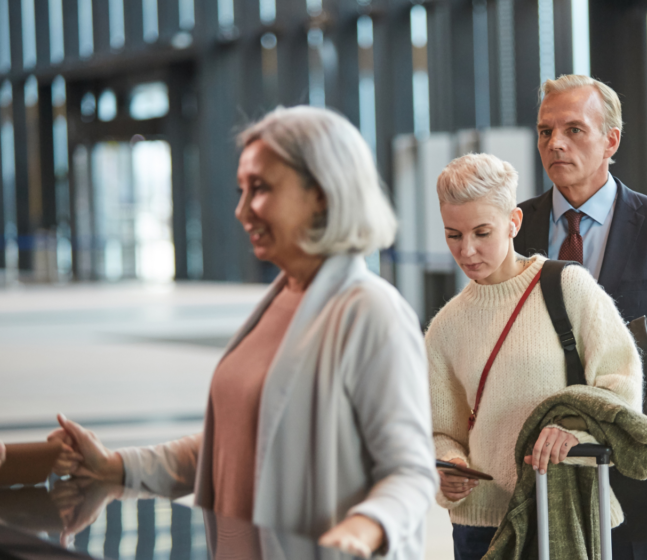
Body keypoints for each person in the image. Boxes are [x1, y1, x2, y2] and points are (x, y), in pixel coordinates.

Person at [47, 106, 437, 559]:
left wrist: (363, 528)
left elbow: (410, 472)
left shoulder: (371, 311)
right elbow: (229, 447)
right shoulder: (279, 298)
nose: (241, 210)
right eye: (241, 189)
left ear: (323, 194)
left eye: (261, 188)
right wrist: (115, 466)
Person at [514, 74, 647, 559]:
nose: (555, 143)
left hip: (632, 470)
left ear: (612, 140)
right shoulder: (514, 230)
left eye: (573, 130)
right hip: (536, 468)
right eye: (545, 131)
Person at [428, 153, 643, 560]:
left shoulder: (568, 288)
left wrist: (575, 433)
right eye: (453, 235)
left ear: (513, 222)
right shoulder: (446, 327)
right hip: (481, 528)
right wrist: (449, 464)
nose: (467, 250)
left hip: (567, 510)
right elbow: (441, 430)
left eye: (482, 232)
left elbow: (623, 385)